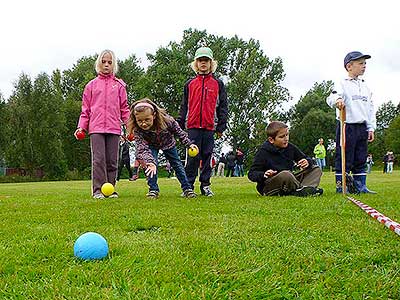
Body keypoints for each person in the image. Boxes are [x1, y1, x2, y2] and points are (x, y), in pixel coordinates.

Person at [75, 50, 130, 199]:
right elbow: (85, 110)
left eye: (110, 62)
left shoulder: (119, 86)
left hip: (114, 128)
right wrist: (81, 127)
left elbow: (124, 109)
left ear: (114, 65)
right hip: (96, 128)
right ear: (99, 63)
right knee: (99, 159)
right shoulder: (91, 86)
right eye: (104, 62)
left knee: (112, 161)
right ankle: (98, 190)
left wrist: (130, 127)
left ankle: (110, 189)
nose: (106, 65)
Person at [177, 46, 228, 197]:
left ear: (211, 63)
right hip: (192, 127)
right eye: (200, 60)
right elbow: (184, 106)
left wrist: (221, 126)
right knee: (192, 157)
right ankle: (189, 186)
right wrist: (179, 125)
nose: (203, 63)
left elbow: (223, 106)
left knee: (207, 156)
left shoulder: (218, 84)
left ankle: (205, 185)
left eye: (206, 60)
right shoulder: (190, 84)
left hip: (209, 127)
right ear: (196, 63)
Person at [326, 51, 377, 194]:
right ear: (349, 66)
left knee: (361, 157)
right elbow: (332, 96)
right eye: (361, 63)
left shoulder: (365, 87)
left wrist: (370, 127)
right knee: (344, 156)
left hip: (362, 127)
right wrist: (337, 101)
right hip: (346, 126)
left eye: (365, 63)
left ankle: (361, 186)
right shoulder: (342, 83)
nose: (364, 66)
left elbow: (370, 108)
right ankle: (342, 186)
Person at [127, 98, 198, 199]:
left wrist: (189, 144)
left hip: (168, 143)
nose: (143, 123)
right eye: (140, 121)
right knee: (150, 166)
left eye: (147, 120)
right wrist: (150, 161)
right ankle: (153, 190)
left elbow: (179, 132)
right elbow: (142, 149)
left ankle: (187, 189)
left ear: (154, 115)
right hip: (152, 145)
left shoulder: (167, 120)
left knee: (177, 164)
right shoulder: (138, 131)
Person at [248, 121, 323, 196]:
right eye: (281, 137)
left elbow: (306, 158)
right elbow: (252, 174)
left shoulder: (290, 147)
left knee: (316, 169)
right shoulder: (263, 152)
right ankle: (303, 190)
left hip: (290, 181)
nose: (286, 139)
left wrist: (307, 162)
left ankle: (302, 190)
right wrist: (264, 174)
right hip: (270, 185)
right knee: (286, 174)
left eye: (287, 135)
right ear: (271, 140)